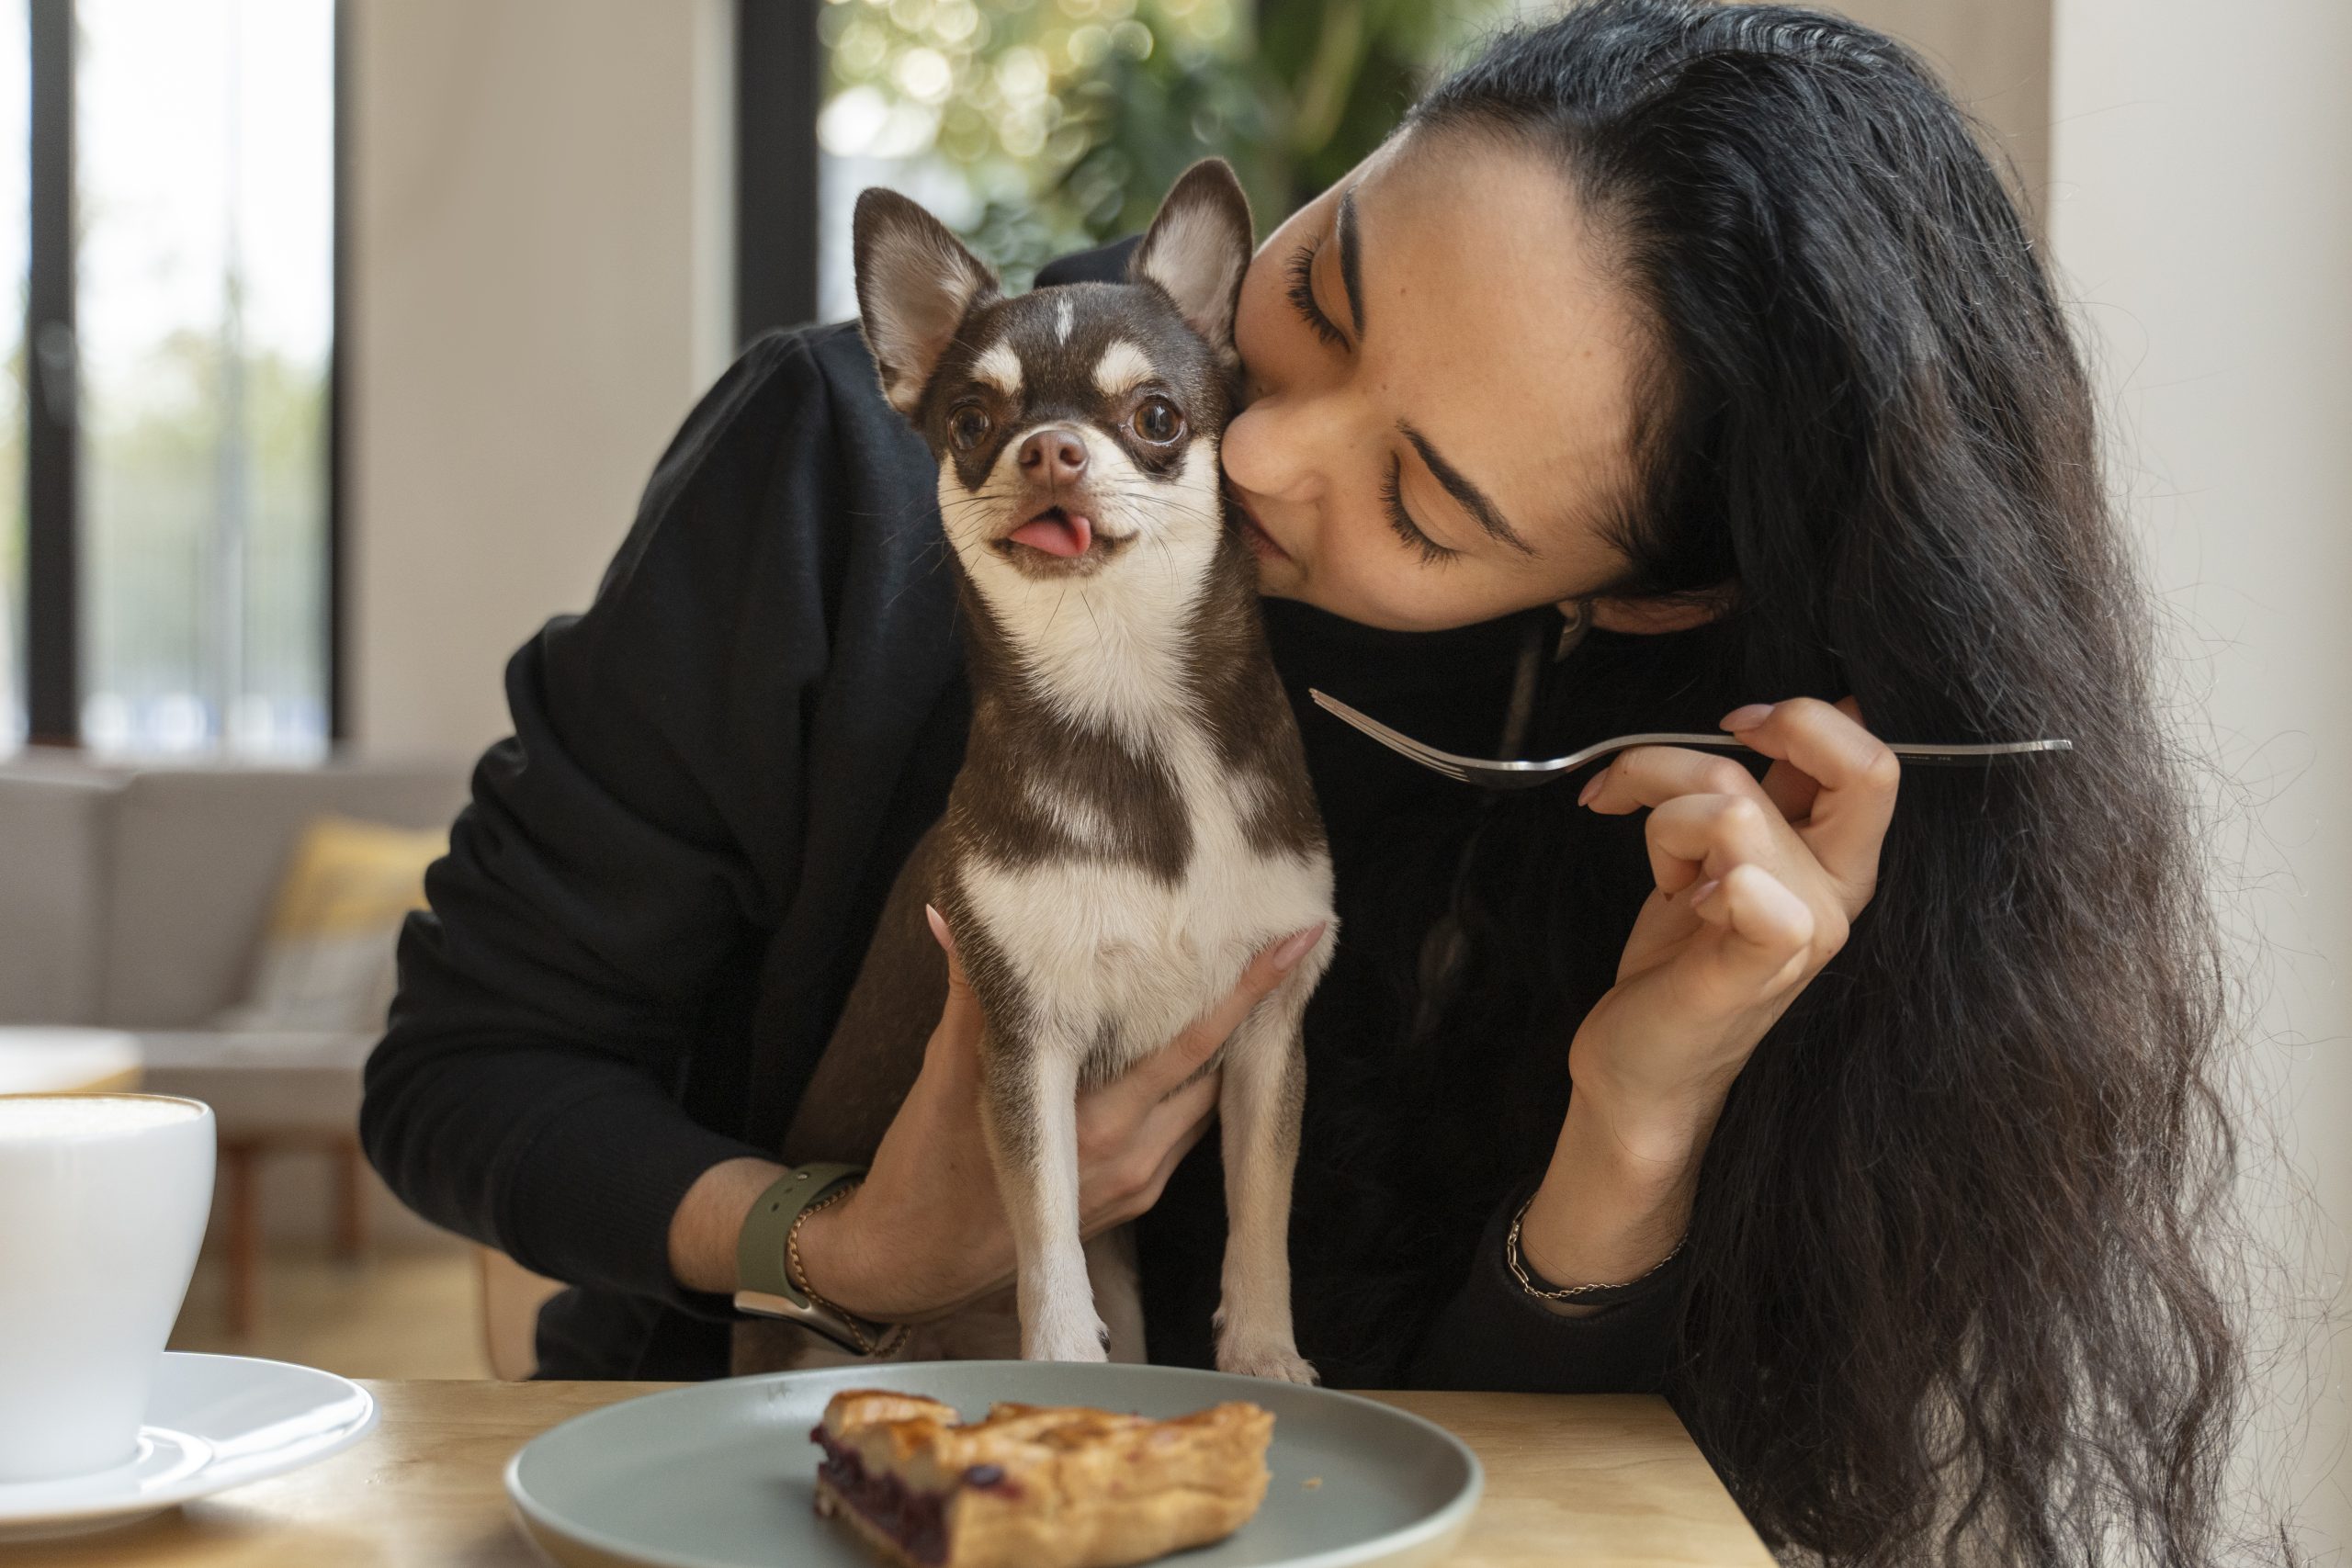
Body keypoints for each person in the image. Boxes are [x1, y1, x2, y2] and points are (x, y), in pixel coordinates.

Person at [363, 2, 2256, 1562]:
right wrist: (841, 1240)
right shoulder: (843, 487)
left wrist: (1634, 1118)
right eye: (1323, 293)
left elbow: (1504, 1490)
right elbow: (464, 1072)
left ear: (1637, 594)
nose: (1267, 461)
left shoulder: (1623, 796)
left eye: (1419, 505)